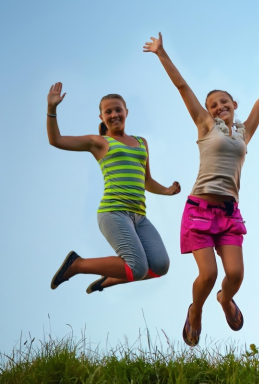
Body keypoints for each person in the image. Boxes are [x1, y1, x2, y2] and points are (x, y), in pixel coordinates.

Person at [144, 32, 259, 346]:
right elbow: (182, 87)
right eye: (213, 104)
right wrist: (161, 53)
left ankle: (225, 300)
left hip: (228, 213)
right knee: (208, 275)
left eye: (223, 102)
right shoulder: (205, 126)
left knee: (236, 275)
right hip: (199, 210)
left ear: (233, 105)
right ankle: (195, 310)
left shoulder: (243, 133)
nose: (218, 107)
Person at [46, 83, 180, 294]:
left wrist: (166, 190)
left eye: (118, 109)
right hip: (113, 212)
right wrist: (52, 109)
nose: (114, 114)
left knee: (161, 265)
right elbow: (56, 140)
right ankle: (77, 264)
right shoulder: (99, 142)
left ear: (126, 112)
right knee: (137, 267)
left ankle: (107, 280)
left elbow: (146, 180)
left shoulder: (141, 142)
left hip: (139, 216)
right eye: (108, 111)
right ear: (101, 117)